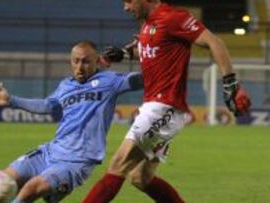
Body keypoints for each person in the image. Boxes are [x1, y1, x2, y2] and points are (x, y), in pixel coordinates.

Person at [82, 0, 252, 203]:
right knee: (141, 178)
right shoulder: (147, 24)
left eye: (128, 1)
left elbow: (214, 42)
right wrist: (124, 53)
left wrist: (230, 83)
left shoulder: (174, 17)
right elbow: (152, 48)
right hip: (159, 109)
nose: (125, 7)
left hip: (164, 108)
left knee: (119, 164)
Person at [0, 40, 144, 203]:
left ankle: (56, 188)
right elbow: (47, 105)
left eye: (86, 61)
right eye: (76, 61)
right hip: (50, 152)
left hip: (77, 161)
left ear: (98, 61)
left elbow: (141, 79)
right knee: (3, 181)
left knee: (31, 189)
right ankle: (56, 191)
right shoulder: (65, 86)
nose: (80, 67)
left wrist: (144, 55)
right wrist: (11, 100)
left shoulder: (110, 81)